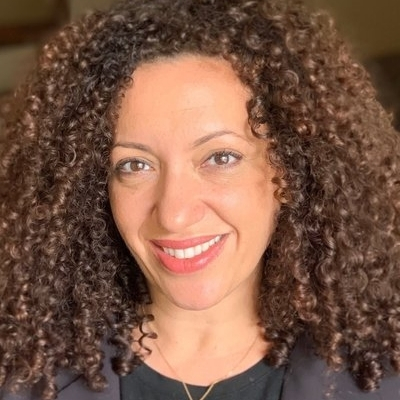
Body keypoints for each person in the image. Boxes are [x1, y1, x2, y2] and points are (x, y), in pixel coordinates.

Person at [1, 0, 399, 399]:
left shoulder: (383, 377)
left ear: (291, 170)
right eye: (135, 165)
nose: (174, 214)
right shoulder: (23, 378)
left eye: (220, 157)